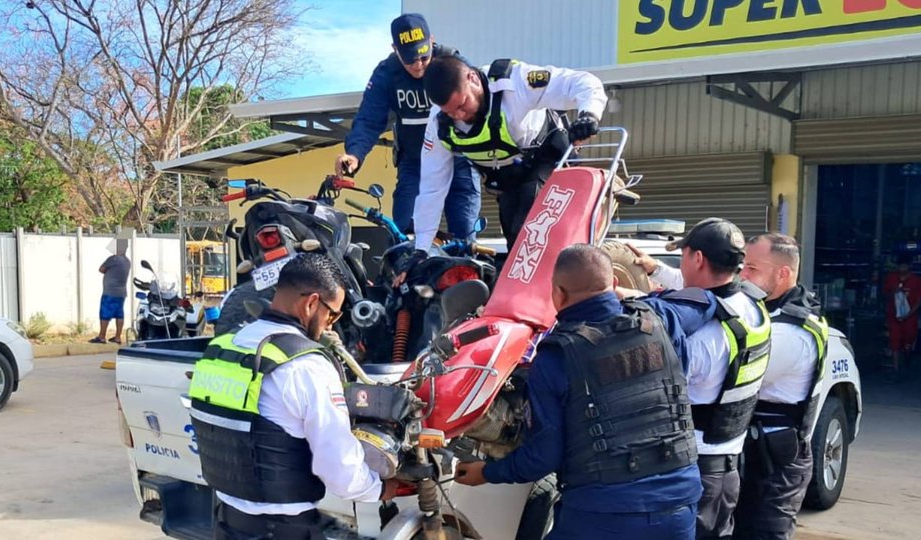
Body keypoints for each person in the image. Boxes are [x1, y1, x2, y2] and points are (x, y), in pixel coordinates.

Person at [454, 244, 720, 540]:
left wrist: (486, 473)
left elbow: (543, 458)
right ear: (615, 283)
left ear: (558, 294)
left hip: (603, 514)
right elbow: (706, 299)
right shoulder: (659, 319)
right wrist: (635, 297)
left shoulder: (556, 357)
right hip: (679, 506)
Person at [187, 254, 397, 539]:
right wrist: (378, 488)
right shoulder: (306, 366)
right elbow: (340, 470)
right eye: (332, 314)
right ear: (311, 303)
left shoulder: (223, 348)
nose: (331, 325)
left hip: (226, 522)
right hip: (282, 529)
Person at [628, 218, 772, 540]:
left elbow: (649, 385)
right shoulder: (752, 305)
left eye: (683, 254)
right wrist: (656, 271)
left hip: (693, 470)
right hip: (727, 463)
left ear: (697, 259)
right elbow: (701, 292)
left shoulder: (703, 337)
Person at [414, 55, 607, 251]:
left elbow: (583, 82)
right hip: (509, 181)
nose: (459, 116)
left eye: (462, 105)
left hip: (548, 160)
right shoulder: (439, 122)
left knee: (528, 237)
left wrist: (589, 115)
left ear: (472, 78)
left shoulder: (515, 81)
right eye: (450, 112)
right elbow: (432, 186)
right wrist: (421, 249)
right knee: (514, 247)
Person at [334, 14, 479, 238]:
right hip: (414, 162)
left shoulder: (452, 63)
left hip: (458, 158)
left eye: (423, 56)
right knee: (403, 234)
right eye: (410, 59)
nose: (418, 65)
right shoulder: (387, 73)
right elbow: (369, 119)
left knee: (464, 235)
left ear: (432, 40)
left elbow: (482, 102)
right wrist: (354, 154)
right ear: (395, 49)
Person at [735, 233, 828, 540]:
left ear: (783, 273)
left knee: (762, 532)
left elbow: (733, 376)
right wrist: (658, 271)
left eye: (751, 268)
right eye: (741, 267)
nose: (742, 275)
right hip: (757, 451)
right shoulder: (768, 307)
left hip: (775, 462)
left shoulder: (792, 330)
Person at [883, 253, 921, 375]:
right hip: (894, 316)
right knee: (895, 342)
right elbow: (885, 295)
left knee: (908, 343)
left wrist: (908, 314)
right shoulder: (891, 278)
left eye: (904, 266)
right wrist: (893, 293)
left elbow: (919, 301)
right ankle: (896, 369)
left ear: (909, 266)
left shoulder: (916, 281)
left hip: (910, 318)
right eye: (900, 266)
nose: (902, 269)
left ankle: (907, 360)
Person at [92, 240, 130, 344]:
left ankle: (102, 336)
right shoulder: (127, 261)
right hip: (121, 292)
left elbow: (101, 269)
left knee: (105, 314)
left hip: (110, 291)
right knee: (119, 314)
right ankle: (117, 337)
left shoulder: (113, 259)